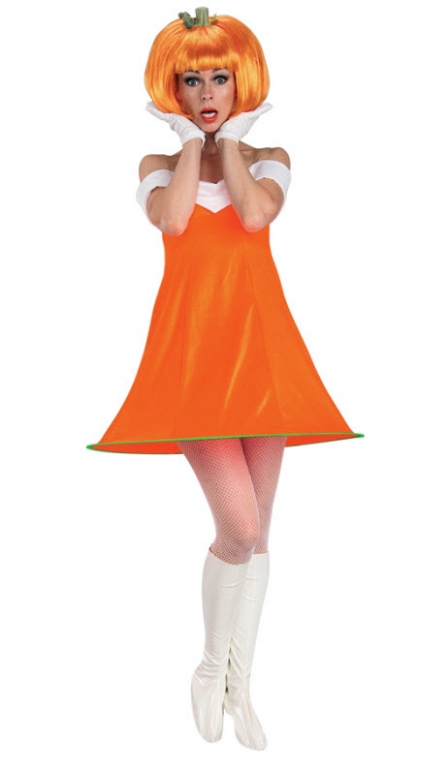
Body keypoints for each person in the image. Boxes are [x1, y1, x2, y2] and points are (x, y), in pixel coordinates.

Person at [87, 8, 362, 750]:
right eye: (190, 80)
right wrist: (189, 145)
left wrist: (232, 142)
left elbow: (253, 213)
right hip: (193, 361)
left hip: (263, 355)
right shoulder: (156, 164)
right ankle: (211, 668)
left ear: (242, 82)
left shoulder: (270, 155)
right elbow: (175, 222)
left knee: (259, 532)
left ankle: (243, 683)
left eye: (218, 77)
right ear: (170, 90)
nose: (206, 92)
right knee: (237, 529)